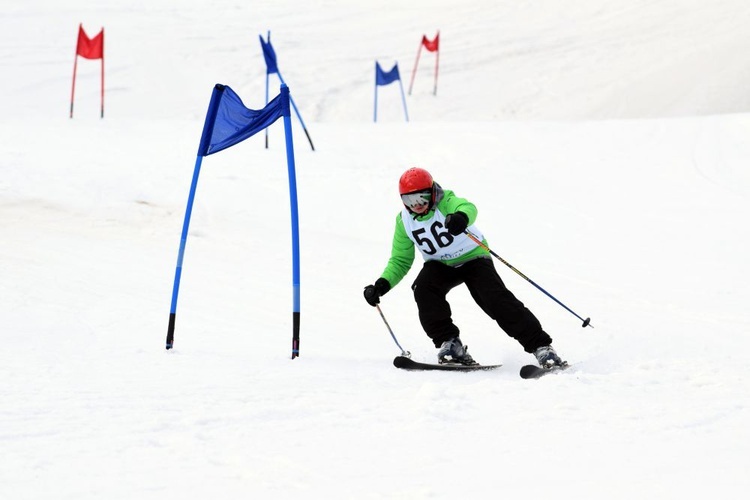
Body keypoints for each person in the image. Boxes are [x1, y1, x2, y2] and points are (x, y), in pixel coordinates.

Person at [363, 167, 566, 368]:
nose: (416, 205)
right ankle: (450, 344)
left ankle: (542, 347)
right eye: (409, 200)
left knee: (494, 299)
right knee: (424, 288)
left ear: (433, 193)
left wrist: (461, 217)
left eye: (422, 198)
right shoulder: (404, 222)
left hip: (473, 258)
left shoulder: (446, 202)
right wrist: (382, 285)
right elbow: (400, 260)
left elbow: (469, 207)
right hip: (441, 265)